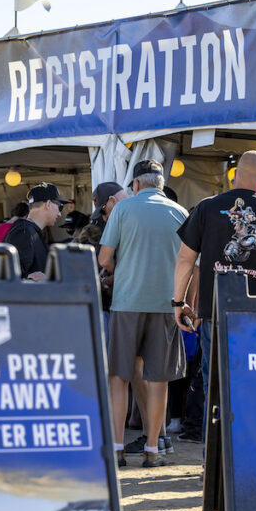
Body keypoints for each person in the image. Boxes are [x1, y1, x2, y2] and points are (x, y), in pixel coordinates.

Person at [173, 151, 256, 436]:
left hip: (215, 313)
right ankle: (252, 455)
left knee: (216, 388)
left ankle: (214, 463)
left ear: (233, 177)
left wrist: (179, 301)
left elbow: (185, 259)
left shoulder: (206, 208)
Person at [98, 160, 188, 468]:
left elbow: (104, 257)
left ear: (135, 185)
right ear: (161, 185)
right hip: (166, 305)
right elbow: (190, 263)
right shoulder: (180, 212)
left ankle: (117, 448)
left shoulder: (123, 209)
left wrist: (123, 270)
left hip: (127, 302)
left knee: (119, 376)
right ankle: (153, 449)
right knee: (159, 380)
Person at [3, 183, 70, 281]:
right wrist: (29, 279)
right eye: (60, 207)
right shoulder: (24, 232)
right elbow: (10, 276)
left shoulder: (30, 231)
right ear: (48, 204)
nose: (59, 214)